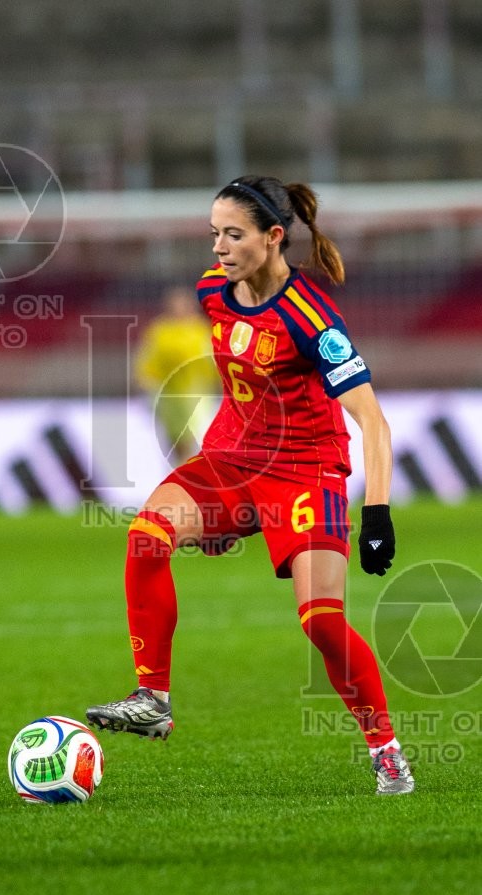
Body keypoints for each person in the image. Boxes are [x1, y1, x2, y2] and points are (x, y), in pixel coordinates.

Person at [87, 175, 415, 795]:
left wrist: (377, 515)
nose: (218, 247)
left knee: (321, 622)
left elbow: (373, 420)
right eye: (214, 233)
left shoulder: (313, 319)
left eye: (233, 235)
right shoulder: (212, 290)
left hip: (306, 470)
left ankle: (386, 751)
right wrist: (224, 511)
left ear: (272, 237)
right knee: (146, 538)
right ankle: (152, 698)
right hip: (232, 461)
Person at [134, 285, 219, 465]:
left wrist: (221, 379)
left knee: (192, 435)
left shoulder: (201, 330)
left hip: (196, 394)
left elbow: (213, 359)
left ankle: (188, 472)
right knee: (174, 440)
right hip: (168, 394)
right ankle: (181, 469)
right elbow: (149, 358)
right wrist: (145, 379)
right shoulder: (160, 331)